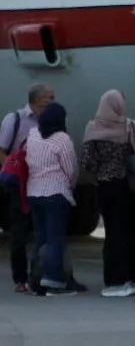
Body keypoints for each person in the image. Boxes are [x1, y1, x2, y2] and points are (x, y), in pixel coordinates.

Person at [81, 90, 135, 297]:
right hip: (133, 188)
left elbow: (87, 163)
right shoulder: (131, 126)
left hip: (109, 188)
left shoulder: (93, 128)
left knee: (114, 234)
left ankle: (116, 282)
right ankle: (134, 281)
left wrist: (103, 170)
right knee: (134, 234)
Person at [0, 83, 54, 293]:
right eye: (49, 97)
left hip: (41, 182)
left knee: (40, 230)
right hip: (18, 184)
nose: (52, 100)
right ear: (37, 100)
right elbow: (2, 150)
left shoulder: (50, 121)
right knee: (19, 231)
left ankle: (38, 275)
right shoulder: (14, 119)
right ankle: (20, 278)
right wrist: (15, 171)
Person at [25, 102, 77, 296]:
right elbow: (70, 168)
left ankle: (35, 279)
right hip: (56, 193)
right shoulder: (62, 139)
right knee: (56, 239)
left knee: (40, 236)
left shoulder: (32, 134)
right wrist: (70, 185)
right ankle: (53, 281)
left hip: (34, 192)